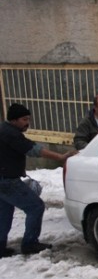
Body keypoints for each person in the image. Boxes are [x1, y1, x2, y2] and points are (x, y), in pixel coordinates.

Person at [0, 104, 76, 257]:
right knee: (36, 206)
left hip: (4, 179)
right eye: (24, 119)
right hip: (7, 181)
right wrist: (60, 157)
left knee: (5, 212)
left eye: (28, 119)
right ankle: (30, 243)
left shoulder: (4, 129)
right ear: (14, 120)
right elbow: (34, 150)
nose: (27, 123)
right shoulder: (11, 134)